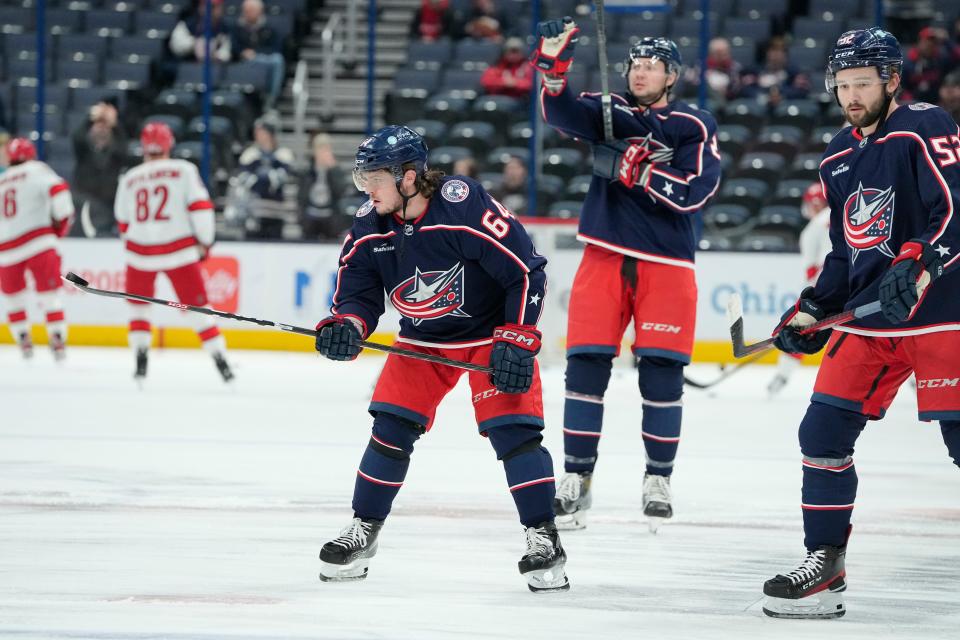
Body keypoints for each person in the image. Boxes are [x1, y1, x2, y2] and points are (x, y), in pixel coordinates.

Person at [314, 125, 568, 592]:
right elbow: (357, 294)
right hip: (423, 341)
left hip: (490, 336)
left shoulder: (461, 205)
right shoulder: (370, 224)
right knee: (389, 428)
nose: (366, 188)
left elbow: (526, 271)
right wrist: (348, 325)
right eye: (363, 177)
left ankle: (544, 538)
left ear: (408, 176)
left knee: (514, 435)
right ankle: (364, 529)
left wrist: (518, 336)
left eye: (375, 177)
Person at [761, 27, 960, 619]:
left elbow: (953, 207)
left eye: (862, 83)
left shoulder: (925, 125)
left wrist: (918, 259)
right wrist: (815, 307)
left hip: (941, 315)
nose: (850, 95)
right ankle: (826, 562)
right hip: (873, 322)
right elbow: (846, 252)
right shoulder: (837, 154)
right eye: (843, 84)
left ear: (891, 80)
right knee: (820, 435)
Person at [531, 21, 721, 532]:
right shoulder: (608, 112)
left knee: (661, 374)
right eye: (635, 65)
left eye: (651, 66)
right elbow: (562, 111)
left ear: (671, 76)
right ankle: (577, 477)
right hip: (605, 255)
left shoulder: (692, 125)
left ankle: (658, 477)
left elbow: (696, 192)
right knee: (585, 368)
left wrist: (640, 171)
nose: (640, 72)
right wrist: (553, 71)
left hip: (668, 264)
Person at [113, 123, 234, 383]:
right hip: (179, 250)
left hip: (139, 252)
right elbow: (201, 207)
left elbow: (123, 222)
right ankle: (221, 361)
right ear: (169, 144)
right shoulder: (184, 170)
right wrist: (205, 242)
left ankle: (140, 360)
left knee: (138, 308)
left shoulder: (130, 177)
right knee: (198, 308)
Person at [0, 138, 73, 360]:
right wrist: (61, 224)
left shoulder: (1, 179)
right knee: (49, 294)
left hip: (6, 249)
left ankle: (22, 337)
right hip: (38, 241)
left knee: (13, 298)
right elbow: (59, 192)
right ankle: (57, 337)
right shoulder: (37, 169)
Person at [767, 182, 832, 397]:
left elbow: (812, 268)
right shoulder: (848, 215)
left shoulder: (814, 227)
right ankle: (913, 381)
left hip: (825, 289)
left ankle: (781, 377)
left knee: (799, 331)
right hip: (854, 284)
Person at [234, 115, 295, 239]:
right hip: (254, 211)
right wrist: (268, 178)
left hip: (276, 212)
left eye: (261, 132)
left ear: (269, 133)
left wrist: (261, 177)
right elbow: (244, 179)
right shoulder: (250, 154)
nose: (257, 135)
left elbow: (282, 179)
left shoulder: (283, 154)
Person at [72, 100, 127, 236]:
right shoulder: (84, 153)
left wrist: (114, 124)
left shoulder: (115, 156)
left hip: (108, 209)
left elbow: (123, 147)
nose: (102, 129)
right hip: (84, 206)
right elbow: (77, 138)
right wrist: (90, 120)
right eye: (98, 125)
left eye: (105, 127)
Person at [231, 0, 285, 108]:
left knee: (277, 60)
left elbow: (276, 48)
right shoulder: (235, 28)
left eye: (252, 10)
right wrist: (243, 52)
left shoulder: (270, 29)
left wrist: (256, 53)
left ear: (260, 11)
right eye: (246, 10)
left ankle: (271, 99)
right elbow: (233, 48)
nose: (249, 13)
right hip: (243, 62)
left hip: (264, 61)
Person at [297, 132, 347, 240]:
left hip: (331, 216)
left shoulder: (336, 171)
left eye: (326, 148)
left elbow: (340, 192)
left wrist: (333, 170)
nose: (323, 152)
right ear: (314, 150)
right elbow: (301, 197)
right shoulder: (307, 171)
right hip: (310, 215)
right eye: (320, 148)